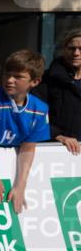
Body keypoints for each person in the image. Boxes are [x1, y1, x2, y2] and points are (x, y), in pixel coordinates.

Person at [0, 50, 50, 214]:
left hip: (5, 167)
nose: (9, 80)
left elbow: (27, 148)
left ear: (35, 81)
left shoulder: (40, 109)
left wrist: (20, 186)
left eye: (18, 77)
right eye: (7, 74)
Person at [37, 27, 81, 155]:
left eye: (80, 49)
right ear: (64, 50)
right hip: (55, 151)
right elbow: (34, 115)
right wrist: (58, 136)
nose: (76, 53)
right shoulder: (47, 79)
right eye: (72, 48)